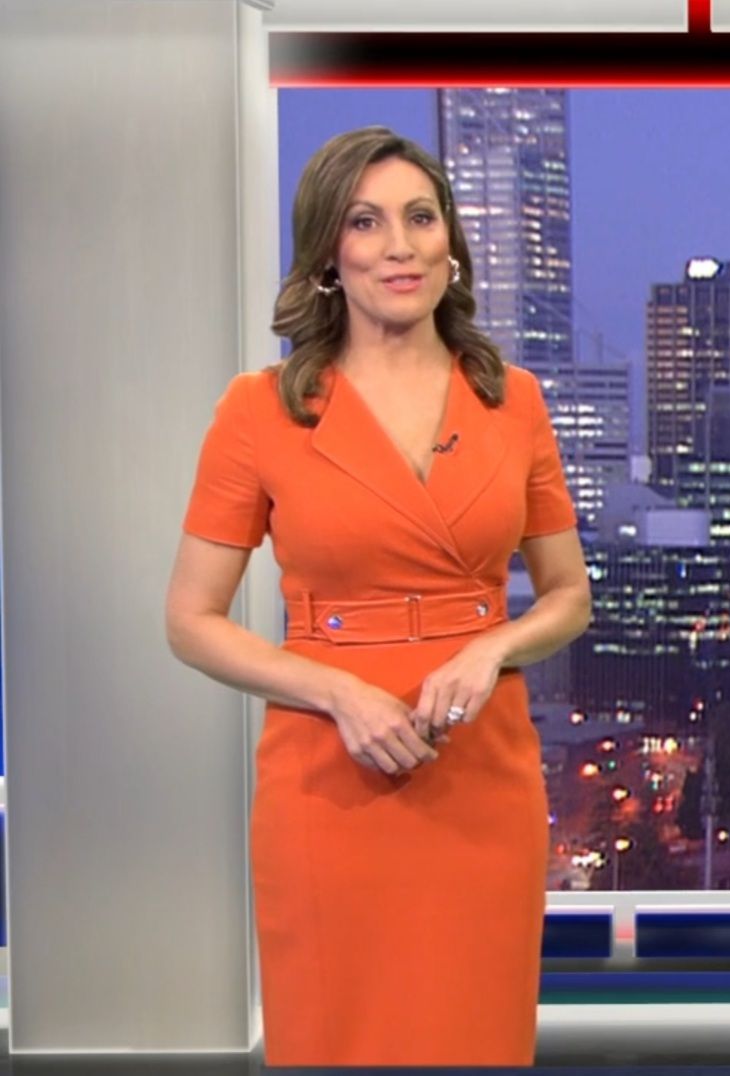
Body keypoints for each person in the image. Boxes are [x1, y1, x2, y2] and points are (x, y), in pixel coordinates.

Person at [165, 125, 591, 1067]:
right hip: (329, 775)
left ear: (451, 242)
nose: (399, 246)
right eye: (365, 222)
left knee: (474, 1036)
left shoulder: (513, 401)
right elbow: (190, 621)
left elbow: (568, 596)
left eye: (419, 218)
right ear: (328, 253)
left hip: (479, 766)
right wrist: (336, 692)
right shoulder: (259, 410)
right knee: (339, 1037)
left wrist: (490, 648)